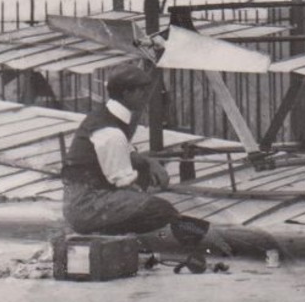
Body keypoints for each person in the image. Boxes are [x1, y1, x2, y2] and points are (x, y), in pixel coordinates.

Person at [61, 64, 282, 263]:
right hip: (85, 204)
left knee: (146, 181)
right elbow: (123, 182)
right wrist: (168, 213)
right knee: (159, 209)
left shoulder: (108, 115)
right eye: (141, 91)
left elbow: (128, 156)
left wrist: (150, 163)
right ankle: (194, 232)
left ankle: (162, 228)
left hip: (89, 195)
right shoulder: (110, 131)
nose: (146, 96)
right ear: (127, 93)